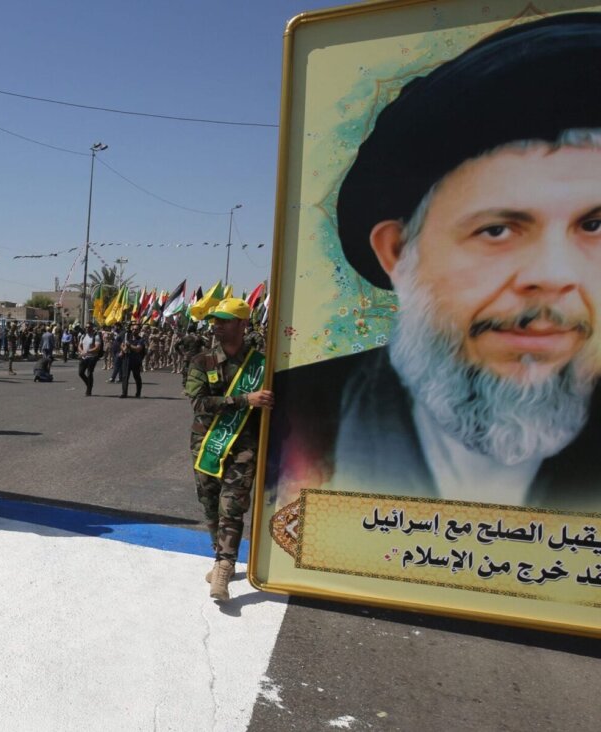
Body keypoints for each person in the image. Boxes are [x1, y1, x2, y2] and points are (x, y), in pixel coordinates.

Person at [268, 14, 601, 510]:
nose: (554, 276)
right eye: (498, 230)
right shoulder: (304, 414)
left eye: (593, 226)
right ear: (398, 253)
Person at [185, 297, 273, 602]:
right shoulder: (202, 361)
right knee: (209, 503)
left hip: (245, 445)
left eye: (224, 321)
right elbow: (198, 403)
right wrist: (243, 400)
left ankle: (225, 564)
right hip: (207, 443)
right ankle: (218, 554)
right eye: (215, 321)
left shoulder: (263, 365)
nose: (217, 326)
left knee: (232, 505)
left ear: (242, 323)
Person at [77, 323, 101, 396]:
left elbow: (97, 348)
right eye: (86, 327)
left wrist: (88, 351)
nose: (87, 328)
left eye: (89, 327)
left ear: (92, 328)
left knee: (89, 373)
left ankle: (89, 390)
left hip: (92, 357)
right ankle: (89, 384)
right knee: (80, 373)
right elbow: (79, 346)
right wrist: (81, 351)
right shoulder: (83, 336)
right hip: (84, 357)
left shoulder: (96, 336)